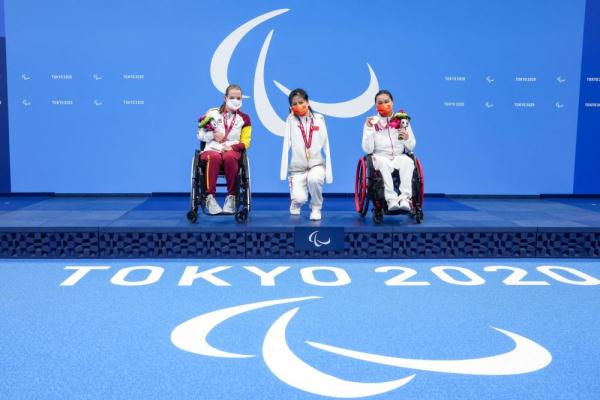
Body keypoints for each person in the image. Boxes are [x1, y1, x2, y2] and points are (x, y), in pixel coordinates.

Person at [197, 84, 252, 214]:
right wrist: (213, 135)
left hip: (231, 150)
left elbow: (246, 142)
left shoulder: (245, 118)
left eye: (238, 98)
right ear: (225, 98)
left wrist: (232, 147)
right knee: (214, 157)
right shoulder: (212, 113)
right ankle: (209, 198)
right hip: (212, 148)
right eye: (232, 97)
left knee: (230, 157)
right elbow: (200, 135)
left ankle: (231, 197)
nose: (235, 101)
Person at [280, 88, 333, 221]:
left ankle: (316, 208)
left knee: (315, 179)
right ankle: (295, 203)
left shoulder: (319, 119)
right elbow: (285, 144)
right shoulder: (290, 120)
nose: (299, 106)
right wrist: (283, 171)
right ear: (291, 107)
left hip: (316, 164)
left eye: (301, 102)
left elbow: (326, 143)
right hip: (297, 168)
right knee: (300, 198)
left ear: (307, 102)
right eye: (295, 104)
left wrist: (329, 171)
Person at [361, 89, 416, 212]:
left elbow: (411, 147)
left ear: (392, 102)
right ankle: (391, 200)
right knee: (383, 163)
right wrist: (369, 129)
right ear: (376, 106)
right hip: (380, 157)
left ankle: (405, 199)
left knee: (408, 162)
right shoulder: (372, 122)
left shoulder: (402, 120)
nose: (384, 105)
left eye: (387, 101)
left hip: (398, 157)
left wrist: (407, 138)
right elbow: (368, 149)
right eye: (380, 102)